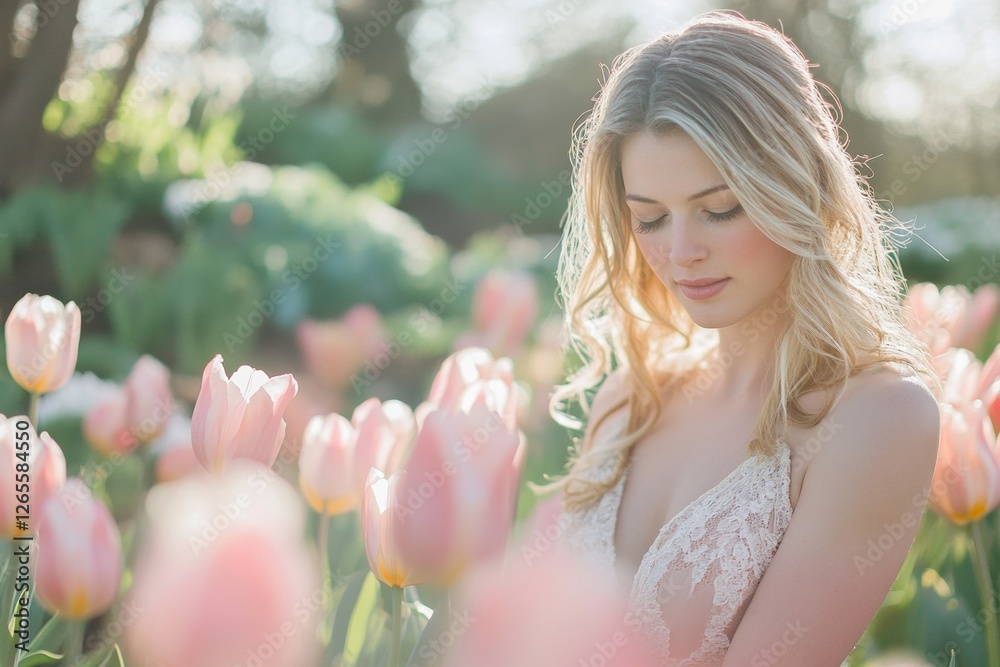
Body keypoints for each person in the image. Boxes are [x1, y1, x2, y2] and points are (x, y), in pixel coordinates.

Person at [541, 10, 943, 666]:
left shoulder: (877, 417)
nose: (680, 252)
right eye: (650, 218)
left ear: (799, 188)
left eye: (720, 209)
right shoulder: (628, 400)